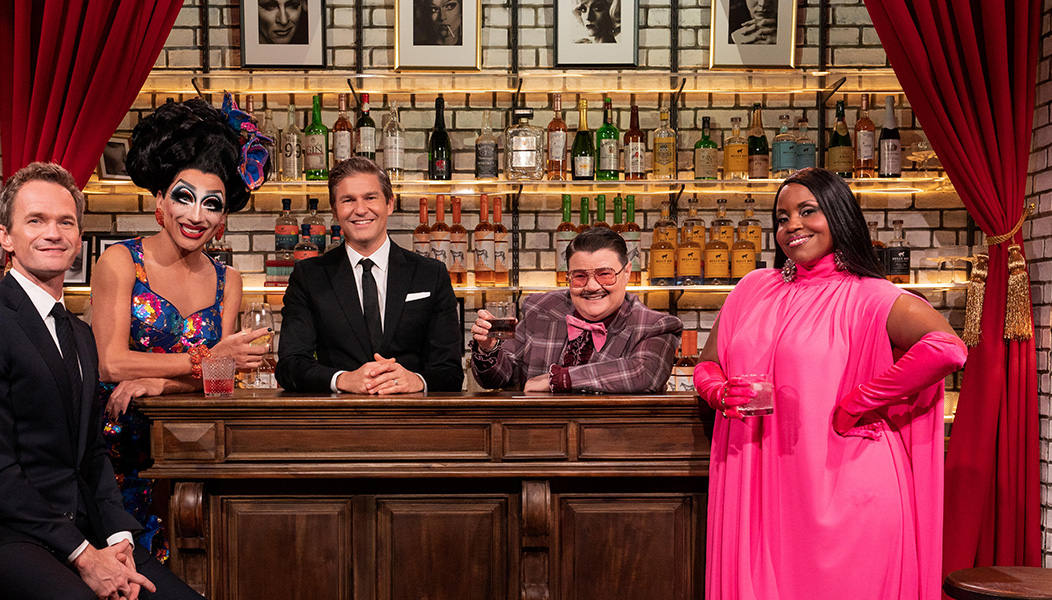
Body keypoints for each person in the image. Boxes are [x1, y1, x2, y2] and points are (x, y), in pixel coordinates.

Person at [0, 162, 202, 599]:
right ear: (6, 237)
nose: (52, 232)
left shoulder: (79, 333)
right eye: (36, 220)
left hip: (79, 527)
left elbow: (92, 454)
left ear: (77, 239)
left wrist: (118, 539)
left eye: (65, 222)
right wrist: (83, 556)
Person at [693, 168, 967, 599]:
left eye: (808, 211)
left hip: (846, 484)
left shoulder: (870, 295)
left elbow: (947, 349)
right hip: (761, 482)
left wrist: (860, 400)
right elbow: (707, 365)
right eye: (782, 218)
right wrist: (720, 392)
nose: (793, 226)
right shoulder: (752, 289)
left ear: (839, 216)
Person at [90, 97, 269, 559]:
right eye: (183, 197)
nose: (196, 215)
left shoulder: (229, 280)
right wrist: (205, 360)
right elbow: (109, 364)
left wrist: (156, 381)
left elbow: (222, 384)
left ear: (223, 219)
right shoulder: (119, 262)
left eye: (212, 204)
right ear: (160, 202)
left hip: (192, 452)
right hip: (117, 457)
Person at [277, 157, 463, 394]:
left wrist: (416, 381)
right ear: (335, 211)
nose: (361, 209)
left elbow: (451, 372)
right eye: (348, 200)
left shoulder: (430, 274)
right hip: (338, 423)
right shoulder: (309, 276)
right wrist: (343, 379)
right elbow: (289, 366)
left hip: (414, 423)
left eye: (370, 198)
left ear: (389, 204)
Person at [471, 227, 682, 393]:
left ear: (627, 272)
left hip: (613, 442)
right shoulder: (542, 309)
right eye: (580, 276)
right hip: (535, 439)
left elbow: (644, 373)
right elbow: (502, 377)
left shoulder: (653, 325)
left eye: (605, 274)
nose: (591, 286)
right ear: (568, 276)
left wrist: (559, 378)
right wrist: (489, 349)